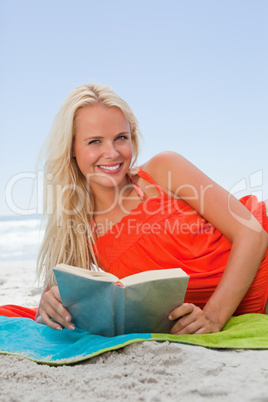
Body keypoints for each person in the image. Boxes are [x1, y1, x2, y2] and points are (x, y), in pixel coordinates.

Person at [35, 83, 268, 335]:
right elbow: (53, 305)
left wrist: (213, 316)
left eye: (120, 138)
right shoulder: (78, 228)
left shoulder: (163, 169)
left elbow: (253, 234)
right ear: (71, 148)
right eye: (95, 142)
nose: (112, 153)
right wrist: (48, 304)